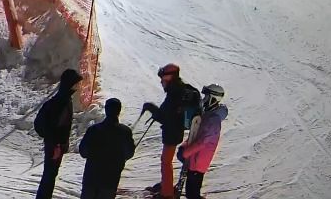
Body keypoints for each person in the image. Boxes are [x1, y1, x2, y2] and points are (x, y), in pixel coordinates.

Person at [143, 63, 200, 198]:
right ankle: (166, 185)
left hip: (172, 133)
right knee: (166, 161)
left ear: (170, 77)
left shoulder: (174, 93)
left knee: (166, 162)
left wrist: (151, 108)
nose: (161, 81)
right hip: (175, 131)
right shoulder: (179, 90)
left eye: (163, 78)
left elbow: (165, 116)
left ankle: (167, 193)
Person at [34, 68, 82, 199]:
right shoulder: (62, 102)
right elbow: (57, 127)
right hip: (55, 147)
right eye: (76, 83)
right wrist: (57, 146)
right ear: (70, 83)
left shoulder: (63, 98)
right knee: (49, 176)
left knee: (49, 175)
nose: (78, 86)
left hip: (55, 145)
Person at [78, 97, 135, 198]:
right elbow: (129, 153)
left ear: (106, 110)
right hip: (110, 180)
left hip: (91, 178)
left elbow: (83, 152)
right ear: (119, 111)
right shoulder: (125, 131)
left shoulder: (93, 130)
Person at [177, 85, 226, 199]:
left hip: (198, 163)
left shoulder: (213, 120)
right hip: (194, 160)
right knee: (191, 192)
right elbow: (194, 135)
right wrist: (184, 147)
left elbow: (202, 142)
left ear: (213, 99)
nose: (204, 100)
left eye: (207, 97)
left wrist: (185, 153)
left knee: (192, 194)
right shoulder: (207, 115)